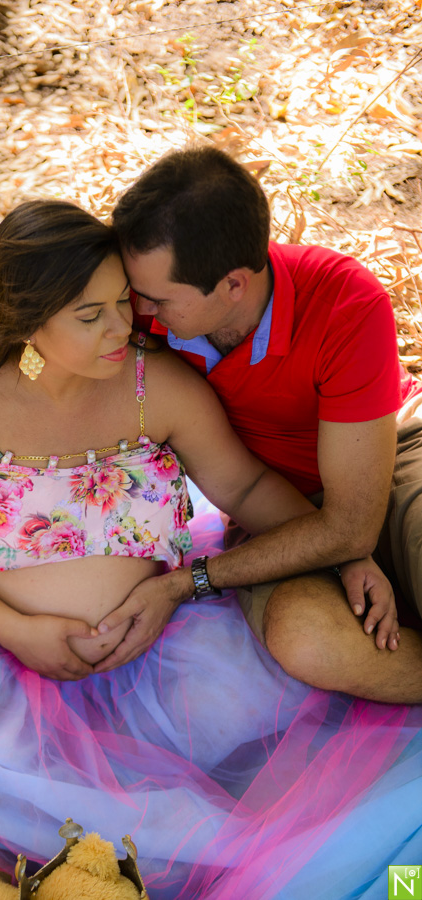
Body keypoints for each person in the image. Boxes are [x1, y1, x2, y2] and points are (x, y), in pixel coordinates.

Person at [0, 199, 420, 900]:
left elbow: (246, 484)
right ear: (27, 318)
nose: (124, 326)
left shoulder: (152, 382)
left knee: (287, 723)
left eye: (121, 303)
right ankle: (183, 850)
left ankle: (183, 851)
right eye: (90, 314)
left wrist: (344, 553)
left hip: (163, 649)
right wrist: (18, 630)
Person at [106, 145, 422, 705]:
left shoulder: (345, 301)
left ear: (233, 285)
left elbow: (352, 524)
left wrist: (187, 581)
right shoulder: (135, 306)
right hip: (268, 505)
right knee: (308, 639)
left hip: (394, 454)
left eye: (158, 299)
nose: (138, 311)